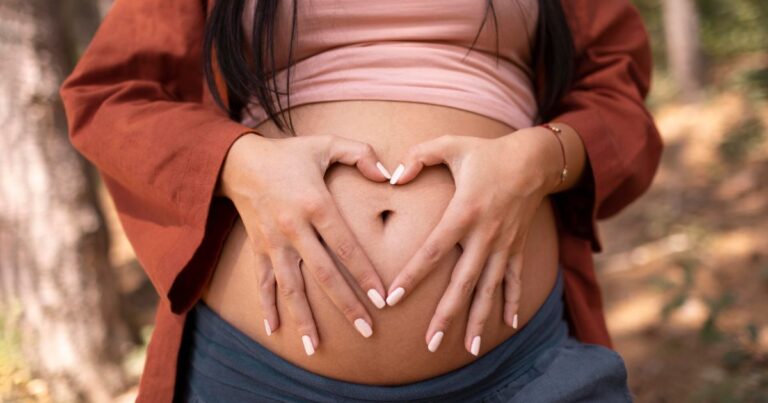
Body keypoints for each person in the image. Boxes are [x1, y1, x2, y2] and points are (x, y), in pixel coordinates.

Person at [59, 0, 662, 402]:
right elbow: (110, 97)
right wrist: (240, 162)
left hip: (515, 367)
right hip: (259, 373)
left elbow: (619, 103)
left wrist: (537, 160)